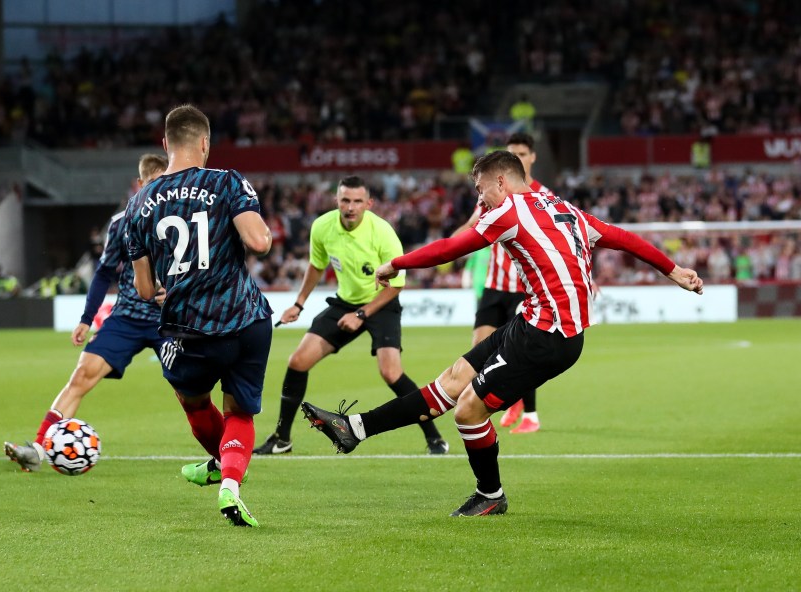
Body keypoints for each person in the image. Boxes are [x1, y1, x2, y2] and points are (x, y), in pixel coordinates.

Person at [302, 151, 702, 517]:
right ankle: (354, 429)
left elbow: (450, 249)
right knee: (452, 381)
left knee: (467, 411)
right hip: (531, 321)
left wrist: (396, 264)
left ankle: (490, 495)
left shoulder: (507, 211)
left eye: (481, 190)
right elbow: (623, 238)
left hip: (549, 338)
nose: (481, 200)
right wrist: (674, 271)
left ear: (500, 182)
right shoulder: (564, 207)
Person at [125, 104, 273, 528]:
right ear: (205, 144)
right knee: (239, 414)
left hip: (189, 330)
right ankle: (229, 481)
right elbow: (259, 242)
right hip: (246, 321)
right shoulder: (227, 182)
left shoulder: (140, 203)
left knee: (192, 400)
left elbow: (144, 289)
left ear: (165, 143)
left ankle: (219, 463)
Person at [254, 176, 448, 456]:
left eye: (358, 201)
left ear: (369, 203)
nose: (351, 206)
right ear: (336, 200)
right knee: (297, 361)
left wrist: (361, 314)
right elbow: (316, 266)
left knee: (391, 372)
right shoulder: (322, 226)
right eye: (345, 200)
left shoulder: (382, 232)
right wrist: (298, 303)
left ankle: (435, 438)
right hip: (346, 303)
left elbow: (396, 285)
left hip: (381, 303)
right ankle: (281, 438)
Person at [4, 153, 169, 470]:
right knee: (80, 376)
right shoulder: (122, 223)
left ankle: (224, 455)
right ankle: (38, 450)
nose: (156, 191)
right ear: (140, 185)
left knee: (192, 391)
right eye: (151, 184)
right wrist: (85, 319)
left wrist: (177, 295)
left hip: (171, 320)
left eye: (162, 184)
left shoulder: (184, 218)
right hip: (127, 319)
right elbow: (104, 273)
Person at [452, 132, 554, 434]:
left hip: (525, 289)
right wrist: (447, 247)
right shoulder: (492, 195)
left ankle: (529, 414)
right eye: (512, 154)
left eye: (522, 154)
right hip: (494, 287)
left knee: (520, 353)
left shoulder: (543, 196)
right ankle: (503, 405)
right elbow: (471, 227)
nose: (518, 159)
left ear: (532, 157)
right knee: (479, 352)